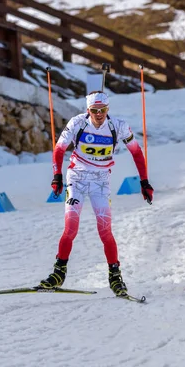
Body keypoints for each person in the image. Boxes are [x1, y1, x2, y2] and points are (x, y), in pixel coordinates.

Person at [38, 91, 154, 296]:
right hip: (78, 178)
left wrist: (144, 181)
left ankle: (115, 277)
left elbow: (136, 152)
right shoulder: (77, 123)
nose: (99, 114)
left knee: (105, 231)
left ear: (108, 110)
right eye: (94, 110)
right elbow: (59, 149)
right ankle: (58, 273)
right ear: (87, 110)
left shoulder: (118, 126)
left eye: (103, 110)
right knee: (71, 227)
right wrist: (57, 176)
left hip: (101, 182)